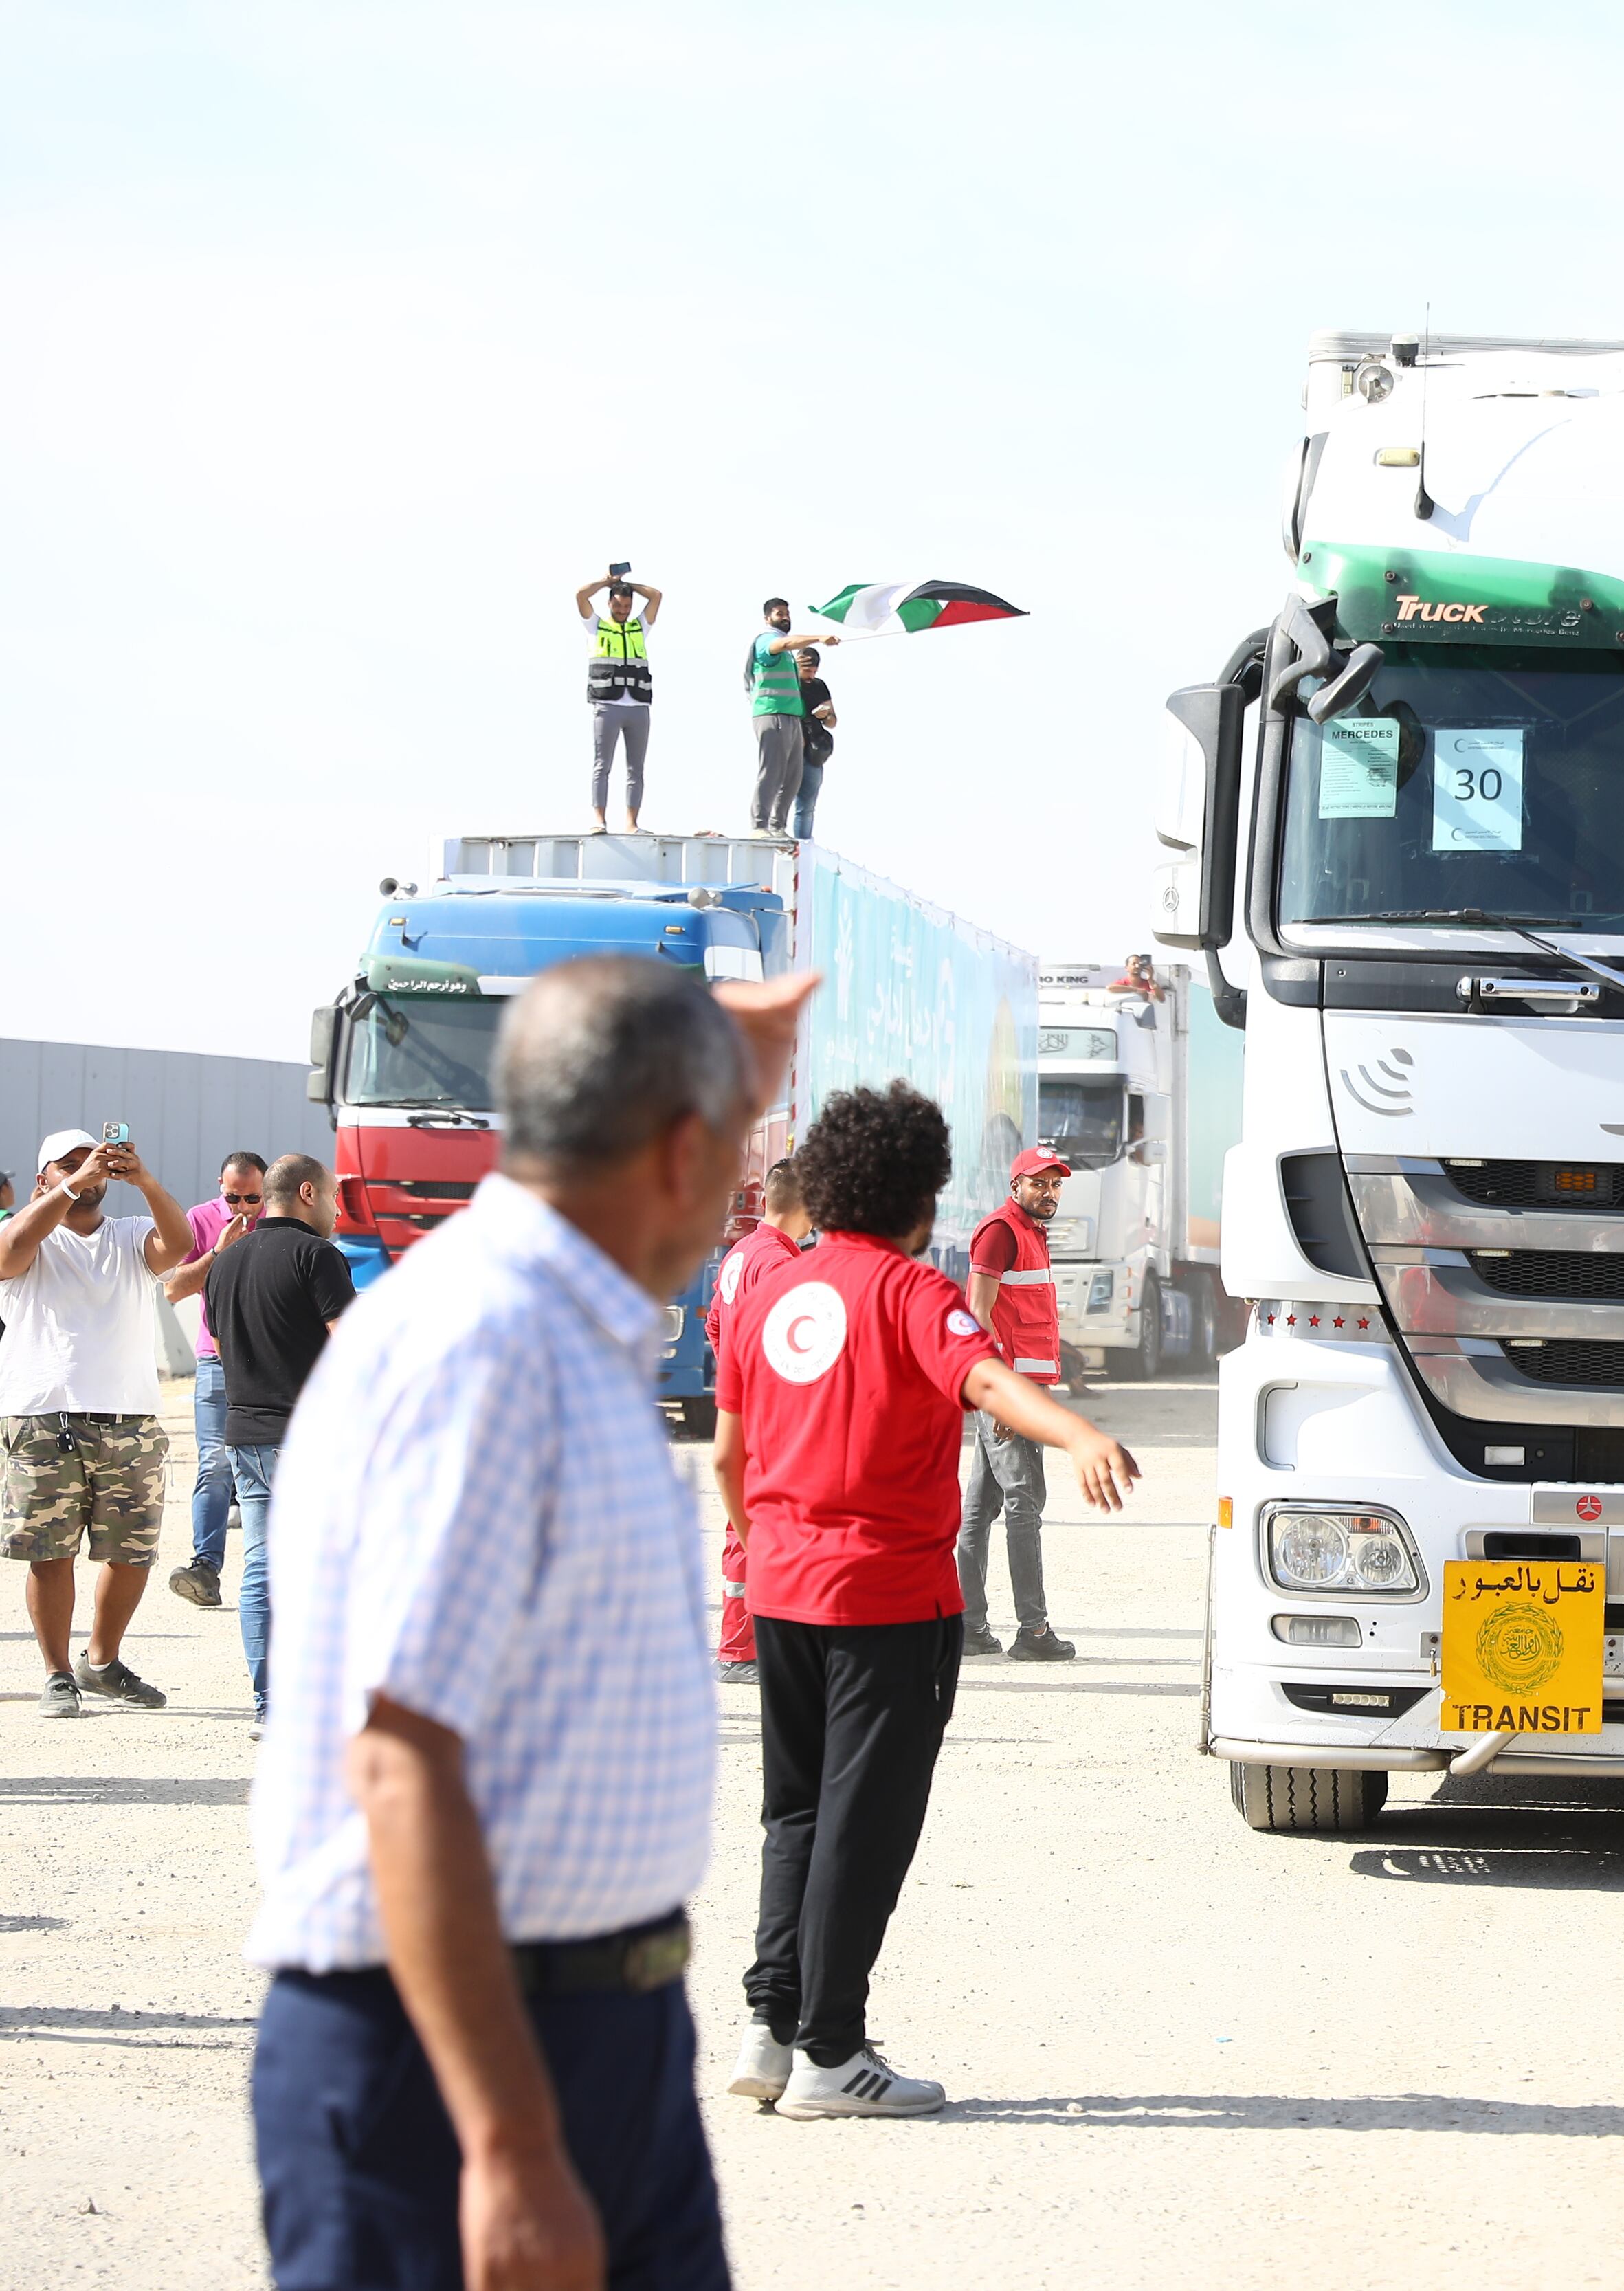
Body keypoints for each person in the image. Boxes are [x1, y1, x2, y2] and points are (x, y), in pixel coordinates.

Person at [247, 953, 812, 2290]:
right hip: (448, 2064)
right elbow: (398, 1757)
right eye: (733, 1151)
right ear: (679, 1149)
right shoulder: (486, 1345)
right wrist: (506, 2141)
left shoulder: (567, 1330)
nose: (740, 1193)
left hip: (594, 2033)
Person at [715, 1083, 1137, 2120]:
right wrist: (1077, 1433)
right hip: (887, 1603)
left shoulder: (767, 1289)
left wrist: (768, 1543)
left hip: (782, 1589)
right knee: (866, 1823)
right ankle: (831, 2053)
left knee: (797, 1814)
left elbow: (728, 1454)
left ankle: (771, 2030)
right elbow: (987, 1383)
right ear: (919, 1193)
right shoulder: (909, 1290)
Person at [3, 1130, 194, 1717]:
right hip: (44, 1417)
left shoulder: (131, 1233)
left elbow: (180, 1245)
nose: (89, 1172)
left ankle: (102, 1661)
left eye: (96, 1161)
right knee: (50, 1552)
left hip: (130, 1419)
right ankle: (58, 1672)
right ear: (43, 1178)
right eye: (67, 1164)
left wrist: (141, 1179)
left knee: (131, 1553)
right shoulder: (31, 1235)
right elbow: (9, 1251)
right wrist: (70, 1184)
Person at [203, 1155, 353, 1730]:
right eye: (335, 1195)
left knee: (262, 1570)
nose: (338, 1208)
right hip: (309, 1440)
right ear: (309, 1192)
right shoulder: (318, 1256)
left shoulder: (225, 1261)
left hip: (245, 1438)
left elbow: (219, 1348)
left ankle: (271, 1705)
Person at [960, 1147, 1080, 1660]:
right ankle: (1033, 1633)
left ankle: (967, 1626)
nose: (1048, 1193)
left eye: (1055, 1185)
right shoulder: (1001, 1231)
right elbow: (978, 1313)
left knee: (981, 1507)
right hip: (1009, 1394)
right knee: (1024, 1502)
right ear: (1016, 1186)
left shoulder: (1032, 1233)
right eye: (1038, 1183)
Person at [708, 1158, 814, 1687]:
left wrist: (733, 1382)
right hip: (768, 1417)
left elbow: (714, 1324)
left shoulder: (740, 1253)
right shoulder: (779, 1264)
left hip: (743, 1410)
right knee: (764, 1526)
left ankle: (741, 1642)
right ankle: (741, 1647)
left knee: (743, 1526)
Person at [160, 1149, 267, 1609]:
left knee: (266, 1465)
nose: (243, 1207)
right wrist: (218, 1250)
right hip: (215, 1359)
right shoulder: (202, 1219)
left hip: (268, 1361)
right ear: (218, 1188)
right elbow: (174, 1287)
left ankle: (271, 1574)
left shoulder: (281, 1219)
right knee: (214, 1463)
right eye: (233, 1197)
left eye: (252, 1198)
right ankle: (206, 1566)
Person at [578, 569, 664, 833]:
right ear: (609, 603)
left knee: (635, 769)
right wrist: (610, 582)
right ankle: (599, 820)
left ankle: (631, 823)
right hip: (608, 704)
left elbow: (656, 596)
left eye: (627, 606)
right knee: (602, 765)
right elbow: (581, 595)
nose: (623, 610)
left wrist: (630, 586)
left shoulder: (640, 626)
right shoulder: (597, 626)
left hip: (638, 705)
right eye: (618, 605)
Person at [748, 597, 838, 836]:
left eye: (787, 613)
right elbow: (782, 645)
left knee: (793, 775)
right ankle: (760, 825)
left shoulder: (788, 652)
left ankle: (777, 827)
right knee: (772, 771)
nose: (785, 617)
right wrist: (818, 638)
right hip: (772, 713)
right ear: (768, 618)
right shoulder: (766, 640)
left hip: (790, 717)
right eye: (780, 614)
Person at [792, 645, 839, 843]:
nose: (811, 675)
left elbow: (833, 721)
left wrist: (825, 714)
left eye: (814, 671)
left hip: (813, 751)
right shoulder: (789, 684)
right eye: (807, 671)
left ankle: (803, 845)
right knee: (782, 798)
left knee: (807, 805)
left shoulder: (819, 686)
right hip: (791, 747)